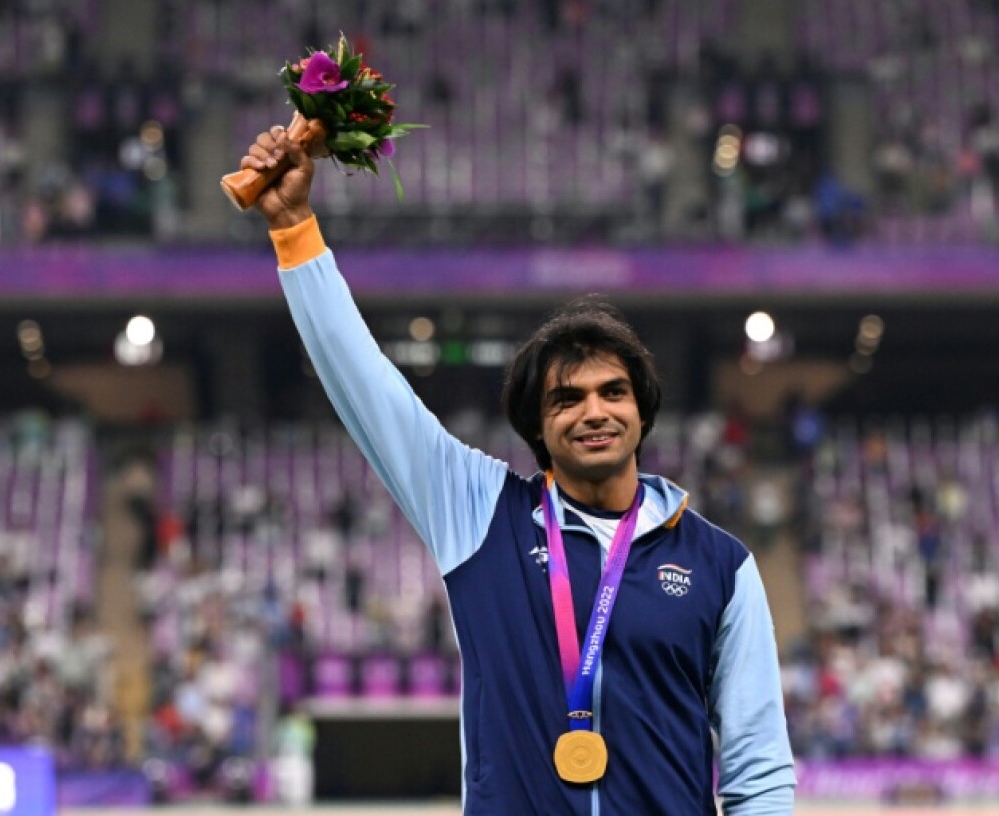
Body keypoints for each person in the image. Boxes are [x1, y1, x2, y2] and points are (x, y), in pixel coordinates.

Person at [236, 125, 796, 815]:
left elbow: (759, 767)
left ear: (643, 413)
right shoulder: (478, 515)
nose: (594, 412)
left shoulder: (720, 564)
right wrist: (295, 229)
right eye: (566, 399)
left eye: (613, 392)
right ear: (538, 426)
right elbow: (366, 386)